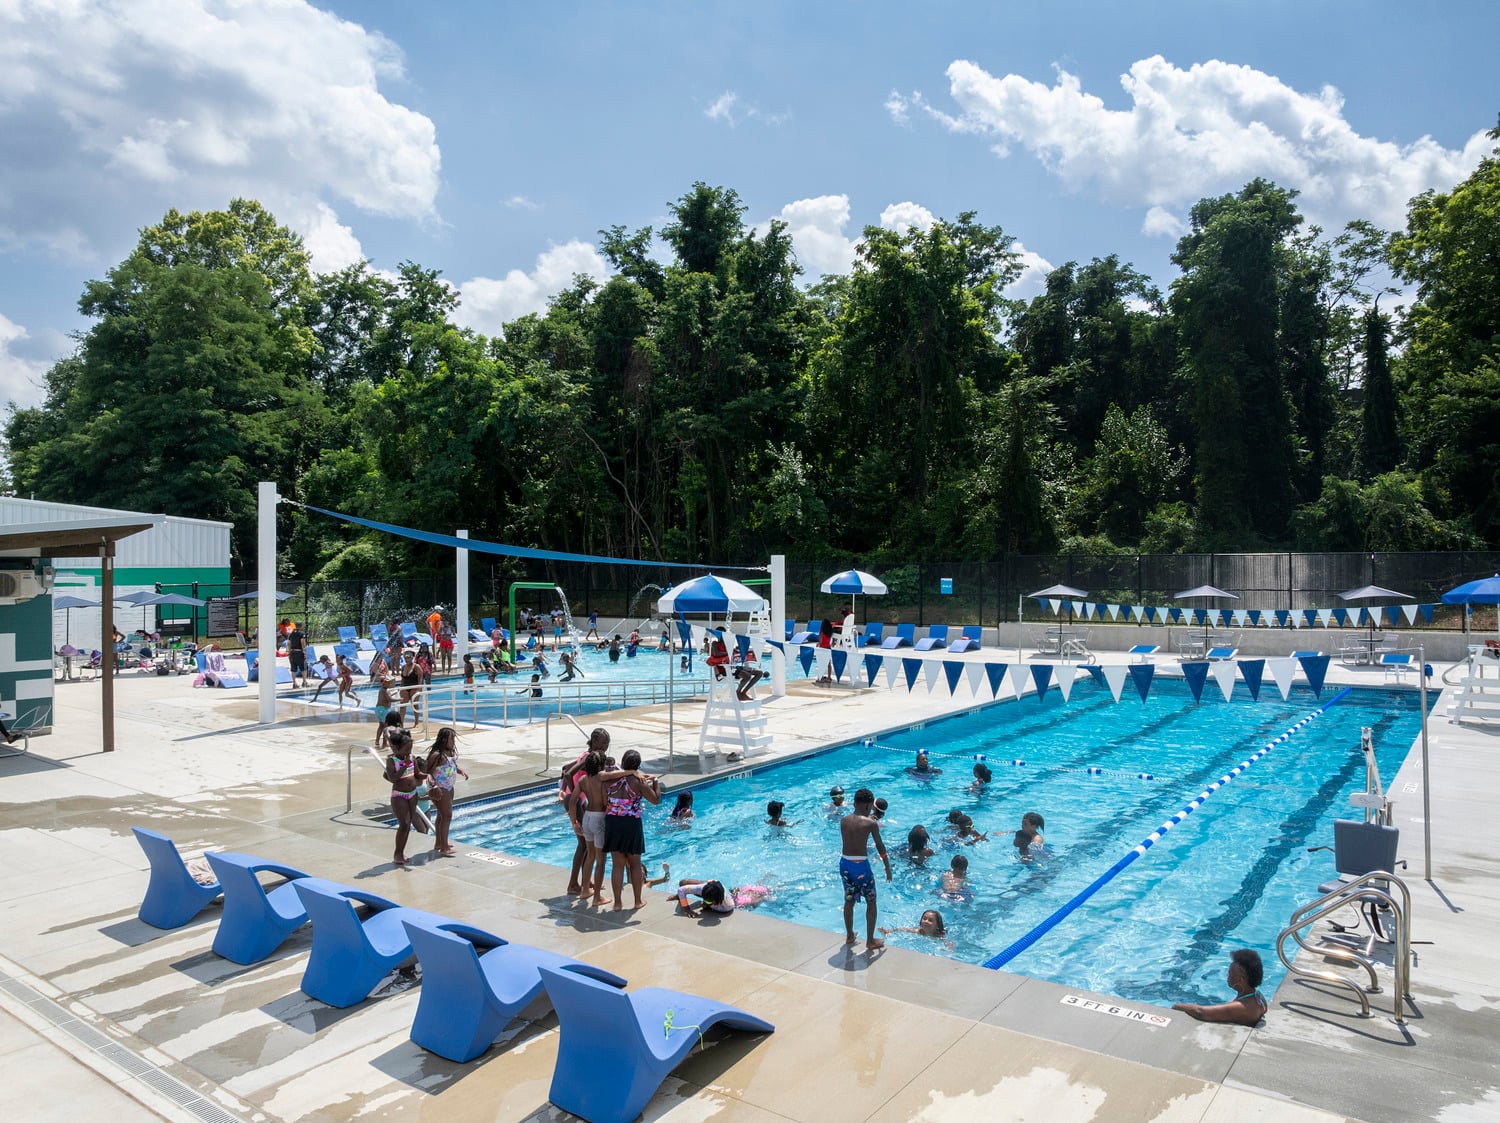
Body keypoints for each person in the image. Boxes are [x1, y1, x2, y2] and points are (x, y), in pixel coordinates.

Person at [604, 749, 662, 910]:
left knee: (617, 865)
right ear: (638, 765)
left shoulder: (611, 779)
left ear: (622, 763)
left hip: (613, 822)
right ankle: (637, 901)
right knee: (635, 864)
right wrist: (655, 782)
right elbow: (656, 800)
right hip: (631, 824)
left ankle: (617, 903)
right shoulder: (638, 783)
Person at [839, 788, 892, 949]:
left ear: (854, 803)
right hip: (861, 866)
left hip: (844, 864)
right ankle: (870, 941)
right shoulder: (871, 823)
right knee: (871, 902)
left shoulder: (844, 820)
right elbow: (880, 846)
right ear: (869, 805)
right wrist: (887, 867)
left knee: (849, 900)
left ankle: (849, 936)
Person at [1173, 949, 1269, 1026]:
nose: (1227, 976)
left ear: (1241, 980)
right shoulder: (1258, 996)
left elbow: (1200, 1012)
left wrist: (1176, 1006)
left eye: (1230, 973)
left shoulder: (1240, 1007)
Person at [383, 729, 426, 866]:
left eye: (411, 748)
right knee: (404, 824)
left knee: (408, 825)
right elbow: (393, 778)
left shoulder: (412, 758)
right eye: (406, 749)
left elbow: (418, 774)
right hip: (399, 795)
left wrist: (430, 775)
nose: (409, 751)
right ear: (397, 748)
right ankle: (398, 853)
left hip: (412, 794)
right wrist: (404, 766)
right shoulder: (392, 760)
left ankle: (401, 852)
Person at [424, 727, 468, 857]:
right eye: (452, 738)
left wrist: (460, 771)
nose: (454, 741)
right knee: (447, 815)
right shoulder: (437, 755)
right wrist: (433, 786)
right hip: (440, 787)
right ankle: (444, 847)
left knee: (441, 815)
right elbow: (428, 772)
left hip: (449, 787)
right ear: (443, 740)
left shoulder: (450, 753)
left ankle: (439, 843)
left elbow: (453, 764)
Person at [880, 908, 947, 940]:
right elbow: (902, 929)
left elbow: (947, 943)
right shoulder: (918, 931)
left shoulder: (938, 936)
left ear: (937, 926)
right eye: (924, 918)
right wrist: (888, 931)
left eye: (930, 920)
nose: (926, 921)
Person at [284, 622, 307, 687]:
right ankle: (304, 682)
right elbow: (303, 643)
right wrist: (304, 652)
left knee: (293, 669)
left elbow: (289, 643)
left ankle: (294, 683)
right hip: (299, 652)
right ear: (301, 626)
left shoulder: (291, 634)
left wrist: (289, 653)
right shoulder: (301, 633)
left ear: (295, 626)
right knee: (303, 668)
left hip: (292, 653)